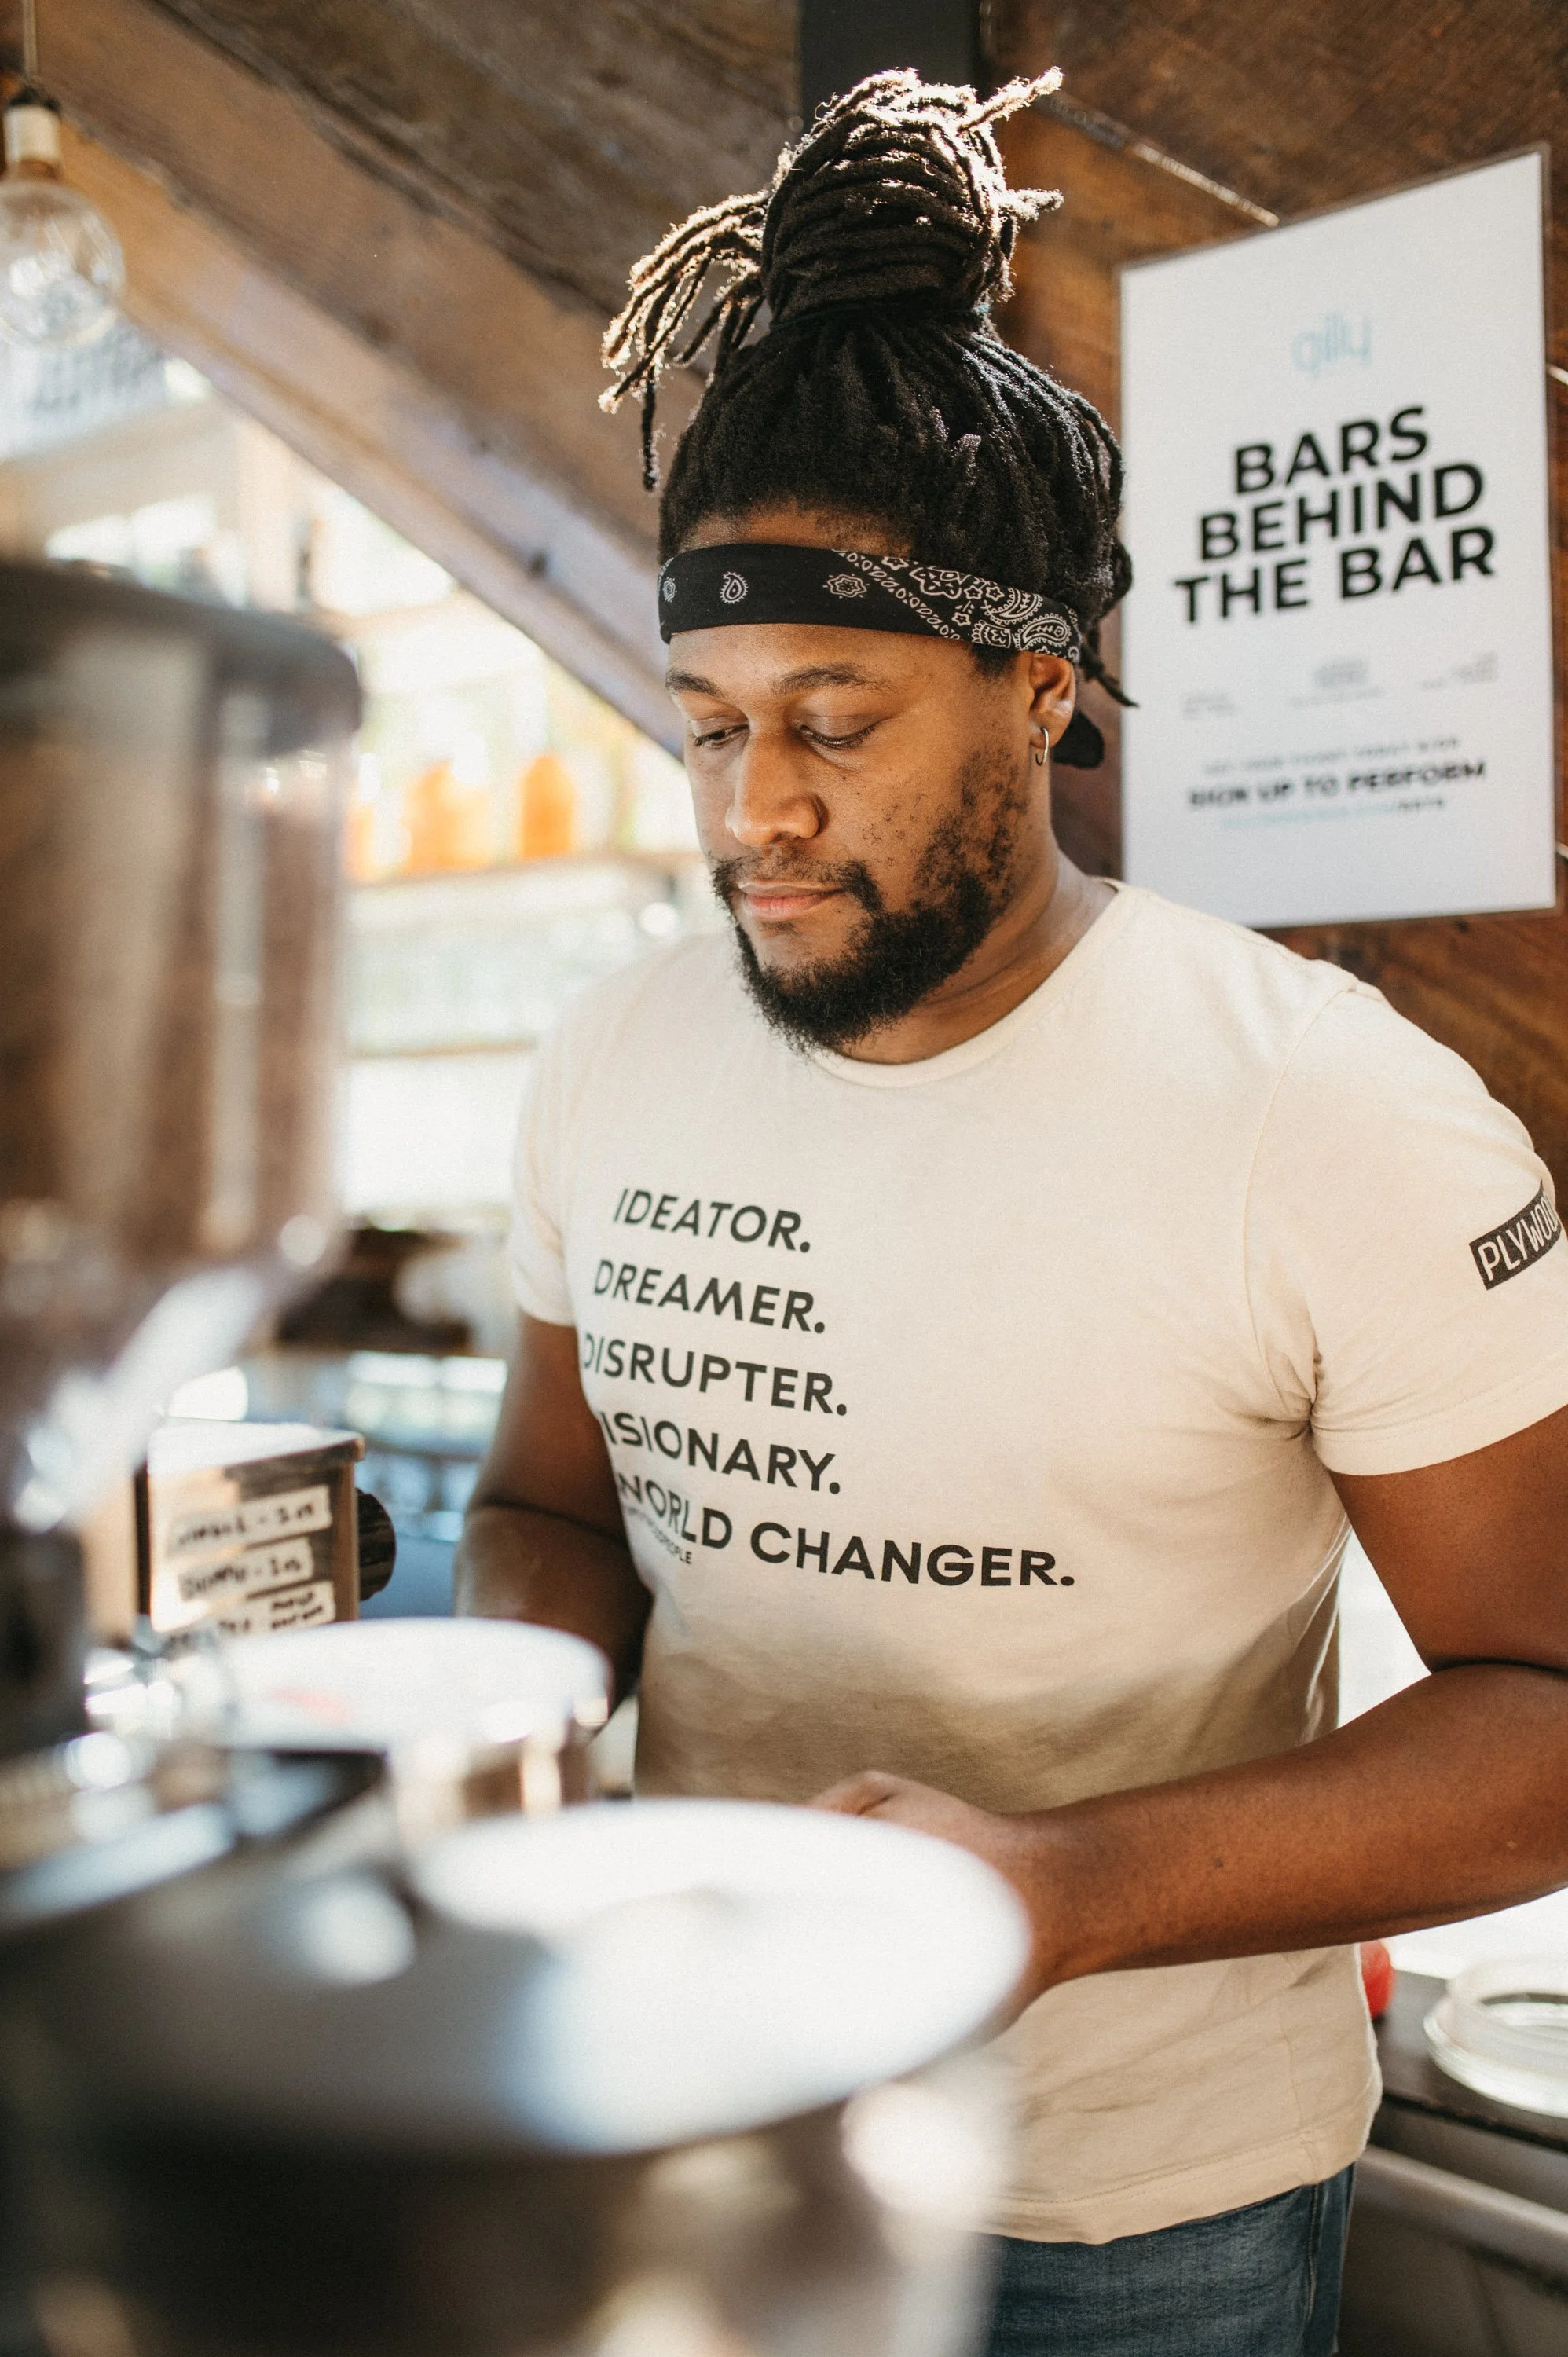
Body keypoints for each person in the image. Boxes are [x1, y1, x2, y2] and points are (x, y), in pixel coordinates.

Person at [456, 68, 1568, 2357]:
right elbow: (547, 1515)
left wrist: (1051, 1893)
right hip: (690, 2124)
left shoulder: (1326, 1109)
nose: (754, 807)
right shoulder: (608, 1058)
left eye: (835, 718)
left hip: (1132, 2216)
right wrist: (515, 1746)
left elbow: (1540, 1709)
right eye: (706, 721)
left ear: (1039, 688)